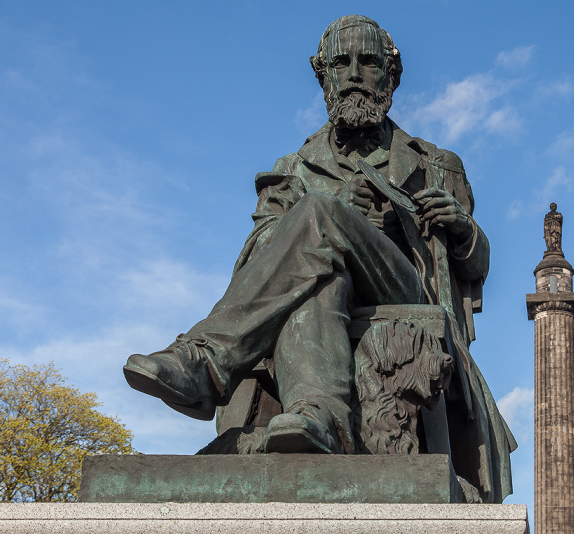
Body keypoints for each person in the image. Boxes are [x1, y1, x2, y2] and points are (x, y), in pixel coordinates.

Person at [124, 15, 515, 502]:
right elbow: (256, 258)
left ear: (390, 77)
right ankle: (319, 416)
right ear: (323, 75)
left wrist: (463, 229)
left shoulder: (436, 164)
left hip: (404, 294)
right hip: (327, 294)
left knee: (316, 213)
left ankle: (204, 359)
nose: (354, 73)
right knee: (318, 274)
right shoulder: (293, 168)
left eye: (368, 62)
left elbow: (476, 270)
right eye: (341, 63)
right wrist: (340, 215)